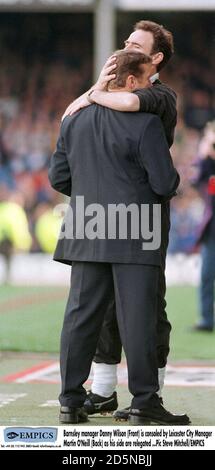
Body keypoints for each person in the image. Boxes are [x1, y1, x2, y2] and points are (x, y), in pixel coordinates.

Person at [49, 50, 189, 425]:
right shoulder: (146, 124)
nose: (147, 89)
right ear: (129, 81)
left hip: (86, 227)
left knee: (80, 318)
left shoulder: (73, 121)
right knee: (138, 319)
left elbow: (58, 178)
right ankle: (144, 402)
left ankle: (70, 401)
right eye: (145, 80)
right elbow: (164, 182)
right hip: (135, 230)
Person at [191, 121, 215, 332]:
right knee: (207, 275)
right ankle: (207, 320)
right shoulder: (207, 165)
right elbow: (196, 180)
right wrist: (203, 155)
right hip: (212, 230)